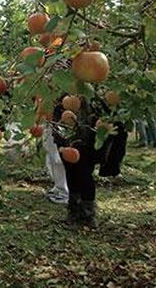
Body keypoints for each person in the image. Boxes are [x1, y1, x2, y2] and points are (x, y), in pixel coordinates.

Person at [52, 94, 110, 229]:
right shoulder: (61, 98)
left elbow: (102, 120)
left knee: (84, 175)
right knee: (71, 174)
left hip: (87, 142)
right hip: (67, 141)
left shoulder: (93, 98)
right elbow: (56, 120)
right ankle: (74, 211)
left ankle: (88, 215)